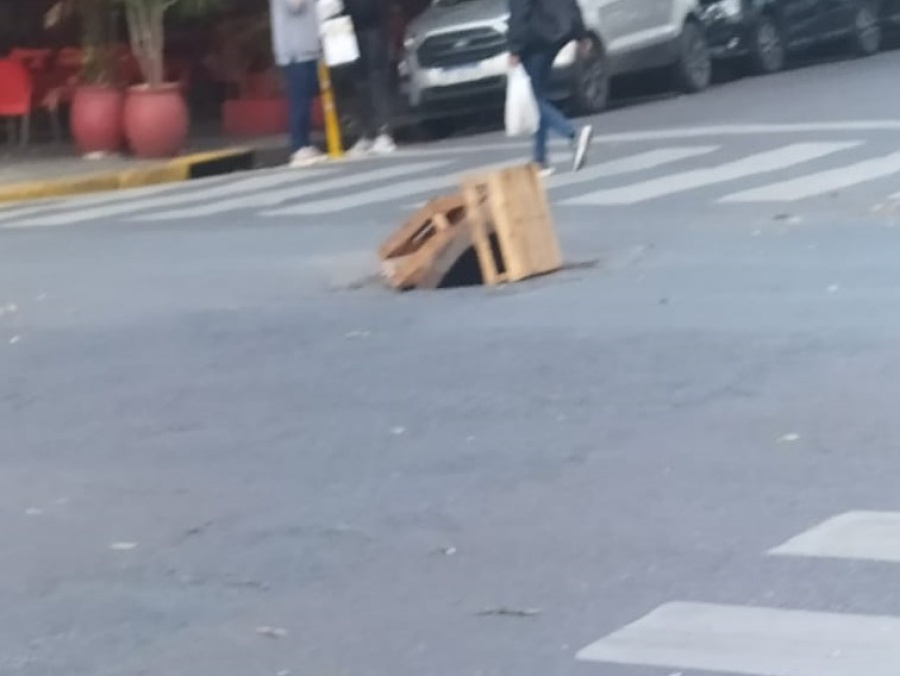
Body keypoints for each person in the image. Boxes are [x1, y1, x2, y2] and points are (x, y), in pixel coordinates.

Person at [507, 0, 594, 175]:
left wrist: (514, 48)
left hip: (533, 41)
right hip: (555, 36)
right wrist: (581, 34)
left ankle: (573, 135)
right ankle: (540, 159)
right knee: (538, 97)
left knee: (533, 99)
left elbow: (520, 10)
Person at [269, 0, 325, 167]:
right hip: (295, 48)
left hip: (306, 45)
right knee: (299, 99)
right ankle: (298, 146)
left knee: (305, 98)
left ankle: (305, 143)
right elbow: (295, 5)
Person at [344, 0, 397, 156]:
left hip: (374, 24)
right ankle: (367, 132)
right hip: (352, 25)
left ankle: (384, 131)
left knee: (376, 77)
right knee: (360, 81)